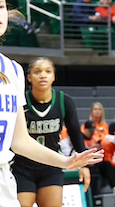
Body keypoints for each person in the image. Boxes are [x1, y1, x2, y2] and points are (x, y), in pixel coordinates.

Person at [0, 0, 103, 205]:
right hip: (20, 171)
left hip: (4, 179)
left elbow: (19, 141)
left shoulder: (13, 71)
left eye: (0, 7)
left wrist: (66, 162)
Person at [13, 57, 94, 207]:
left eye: (48, 71)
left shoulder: (64, 101)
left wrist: (84, 166)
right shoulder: (20, 102)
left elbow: (75, 133)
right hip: (22, 168)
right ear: (29, 77)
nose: (43, 75)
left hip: (51, 167)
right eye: (37, 72)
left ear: (54, 76)